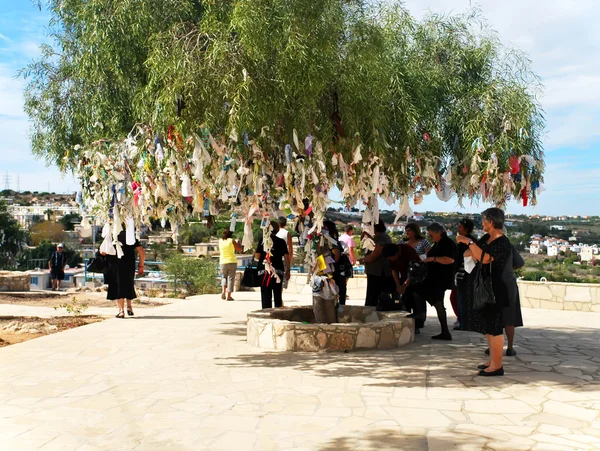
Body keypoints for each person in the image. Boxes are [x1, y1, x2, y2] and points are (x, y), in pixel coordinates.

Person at [457, 207, 515, 377]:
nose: (481, 223)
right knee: (488, 327)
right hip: (484, 287)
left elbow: (485, 257)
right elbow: (475, 254)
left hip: (495, 289)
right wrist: (473, 249)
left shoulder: (502, 242)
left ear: (491, 222)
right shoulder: (486, 238)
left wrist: (468, 242)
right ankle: (492, 361)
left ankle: (497, 366)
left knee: (495, 327)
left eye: (483, 220)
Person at [419, 223, 456, 340]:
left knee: (438, 303)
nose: (430, 237)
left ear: (438, 232)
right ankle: (444, 330)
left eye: (431, 234)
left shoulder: (448, 243)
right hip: (434, 278)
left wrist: (432, 259)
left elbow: (450, 260)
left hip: (440, 279)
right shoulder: (438, 243)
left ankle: (445, 331)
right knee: (436, 302)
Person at [103, 230, 145, 318]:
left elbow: (103, 252)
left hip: (115, 265)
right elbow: (141, 251)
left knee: (117, 286)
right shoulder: (130, 236)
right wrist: (141, 265)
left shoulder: (111, 236)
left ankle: (121, 311)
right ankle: (129, 307)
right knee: (128, 285)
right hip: (129, 265)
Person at [254, 221, 290, 309]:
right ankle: (277, 314)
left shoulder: (263, 240)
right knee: (278, 295)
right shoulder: (281, 242)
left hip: (264, 271)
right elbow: (286, 257)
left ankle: (266, 314)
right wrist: (288, 269)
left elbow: (257, 256)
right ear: (277, 230)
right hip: (278, 271)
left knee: (265, 295)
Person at [382, 243, 421, 314]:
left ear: (397, 253)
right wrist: (398, 285)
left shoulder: (408, 251)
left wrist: (404, 286)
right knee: (406, 300)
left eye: (391, 258)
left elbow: (413, 272)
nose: (391, 260)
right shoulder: (391, 256)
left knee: (417, 301)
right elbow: (394, 270)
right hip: (404, 276)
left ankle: (419, 320)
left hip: (417, 278)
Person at [361, 220, 393, 307]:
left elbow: (377, 251)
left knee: (374, 294)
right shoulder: (377, 237)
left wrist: (366, 259)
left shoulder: (381, 237)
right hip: (374, 270)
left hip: (379, 271)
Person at [453, 218, 476, 330]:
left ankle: (464, 323)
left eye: (460, 227)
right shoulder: (471, 241)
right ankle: (465, 322)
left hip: (465, 275)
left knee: (463, 300)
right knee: (464, 300)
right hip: (466, 275)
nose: (458, 229)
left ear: (466, 229)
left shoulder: (465, 242)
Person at [323, 220, 351, 307]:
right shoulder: (330, 240)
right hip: (335, 271)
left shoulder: (331, 241)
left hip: (335, 272)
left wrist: (326, 266)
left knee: (336, 293)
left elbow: (336, 256)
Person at [219, 229, 242, 301]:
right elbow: (239, 250)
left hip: (222, 261)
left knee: (223, 277)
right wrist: (239, 243)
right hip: (232, 261)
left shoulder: (220, 241)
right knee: (231, 278)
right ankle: (229, 295)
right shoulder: (232, 241)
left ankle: (223, 291)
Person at [338, 225, 356, 302]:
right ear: (350, 231)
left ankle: (340, 292)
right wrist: (353, 260)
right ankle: (343, 292)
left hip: (339, 260)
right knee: (346, 277)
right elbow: (350, 249)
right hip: (346, 261)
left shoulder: (340, 238)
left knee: (341, 277)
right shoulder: (349, 238)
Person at [276, 217, 294, 290]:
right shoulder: (287, 233)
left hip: (275, 259)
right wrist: (289, 261)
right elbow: (290, 249)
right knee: (283, 280)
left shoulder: (274, 232)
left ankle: (278, 298)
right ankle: (279, 298)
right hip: (284, 259)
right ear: (285, 224)